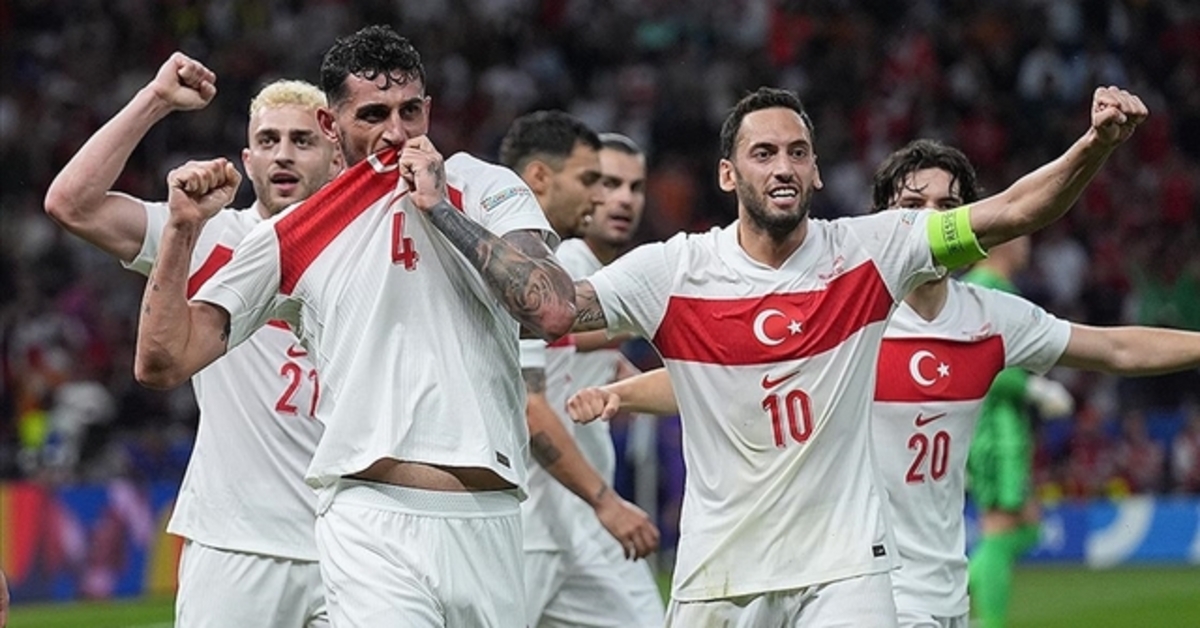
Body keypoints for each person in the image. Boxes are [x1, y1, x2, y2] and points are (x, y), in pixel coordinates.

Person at [564, 85, 1146, 625]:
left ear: (816, 169)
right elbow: (709, 380)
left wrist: (1094, 146)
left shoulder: (892, 272)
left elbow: (1024, 218)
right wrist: (621, 392)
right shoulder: (689, 272)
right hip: (738, 571)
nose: (783, 166)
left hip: (865, 573)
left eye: (797, 152)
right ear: (727, 173)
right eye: (764, 153)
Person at [133, 25, 576, 627]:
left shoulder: (483, 185)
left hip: (492, 518)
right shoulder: (294, 233)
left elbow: (552, 310)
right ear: (330, 124)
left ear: (429, 110)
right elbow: (163, 361)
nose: (397, 133)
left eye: (410, 111)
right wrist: (181, 230)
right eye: (373, 114)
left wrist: (442, 211)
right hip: (370, 521)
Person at [43, 54, 338, 628]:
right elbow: (70, 203)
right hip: (234, 543)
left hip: (350, 541)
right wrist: (155, 99)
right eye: (268, 140)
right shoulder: (210, 234)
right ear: (248, 161)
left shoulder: (369, 249)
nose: (283, 153)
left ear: (336, 155)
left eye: (302, 140)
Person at [500, 116, 662, 627]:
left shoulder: (591, 268)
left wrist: (617, 373)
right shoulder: (560, 262)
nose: (616, 199)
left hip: (578, 521)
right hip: (538, 516)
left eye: (634, 187)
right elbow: (530, 404)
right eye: (601, 181)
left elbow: (569, 349)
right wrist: (605, 501)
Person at [961, 223, 1069, 628]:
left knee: (1027, 526)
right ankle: (982, 618)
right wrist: (1034, 389)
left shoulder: (999, 289)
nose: (1027, 243)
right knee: (1001, 527)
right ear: (1001, 243)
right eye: (1020, 234)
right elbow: (976, 365)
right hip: (993, 429)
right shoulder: (980, 289)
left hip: (1007, 426)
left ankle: (957, 597)